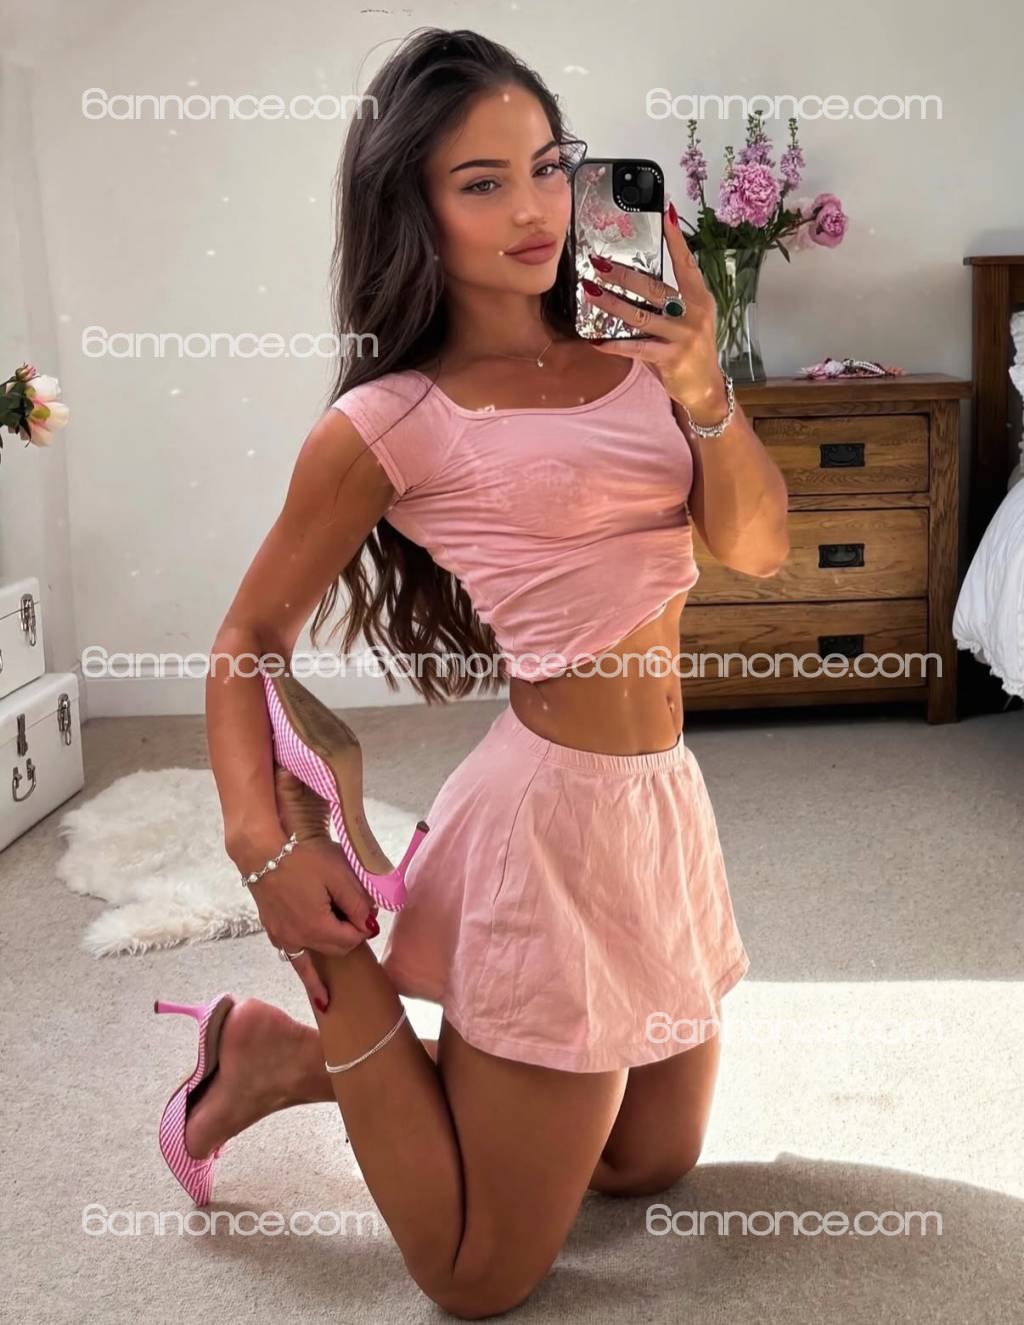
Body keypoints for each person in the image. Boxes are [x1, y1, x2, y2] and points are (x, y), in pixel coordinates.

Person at [191, 25, 789, 1319]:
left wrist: (702, 382)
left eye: (549, 166)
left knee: (646, 1162)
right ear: (411, 207)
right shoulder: (393, 419)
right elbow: (244, 642)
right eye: (482, 182)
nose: (535, 209)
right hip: (548, 826)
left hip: (660, 800)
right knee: (479, 1275)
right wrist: (266, 846)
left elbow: (756, 547)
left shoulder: (644, 352)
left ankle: (283, 1061)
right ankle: (337, 996)